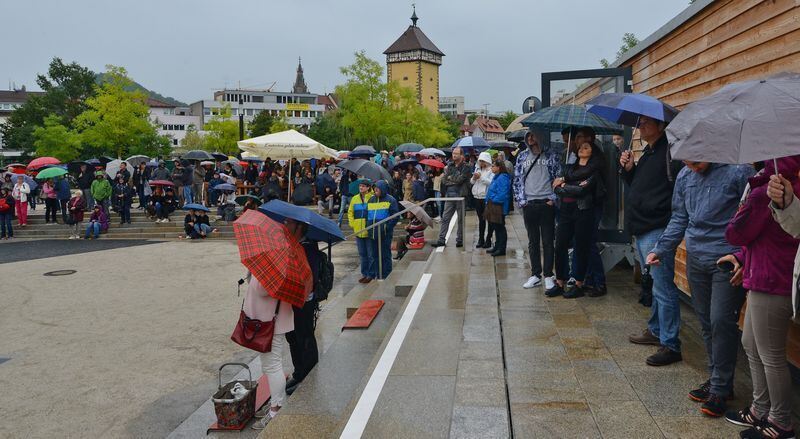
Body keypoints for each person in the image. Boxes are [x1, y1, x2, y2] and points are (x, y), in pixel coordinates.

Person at [647, 160, 753, 416]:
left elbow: (753, 218)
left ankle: (719, 389)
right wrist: (660, 249)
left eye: (696, 160)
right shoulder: (685, 176)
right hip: (696, 258)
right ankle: (719, 381)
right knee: (706, 322)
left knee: (720, 321)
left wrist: (744, 256)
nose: (692, 165)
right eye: (686, 160)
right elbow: (679, 218)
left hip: (727, 259)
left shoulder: (739, 172)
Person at [721, 164, 800, 438]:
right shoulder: (771, 184)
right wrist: (742, 257)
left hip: (772, 279)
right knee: (751, 343)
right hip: (762, 273)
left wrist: (748, 203)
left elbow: (736, 233)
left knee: (771, 355)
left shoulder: (770, 187)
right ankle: (760, 408)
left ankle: (781, 422)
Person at [620, 115, 685, 367]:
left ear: (660, 126)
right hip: (643, 227)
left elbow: (676, 190)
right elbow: (638, 185)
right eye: (639, 123)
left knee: (663, 287)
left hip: (658, 228)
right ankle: (656, 330)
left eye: (646, 122)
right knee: (656, 284)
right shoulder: (649, 152)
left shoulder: (670, 152)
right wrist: (629, 170)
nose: (640, 126)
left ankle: (670, 344)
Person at [546, 142, 601, 298]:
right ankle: (560, 282)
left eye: (586, 147)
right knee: (560, 245)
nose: (582, 149)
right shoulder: (569, 168)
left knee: (581, 247)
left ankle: (578, 284)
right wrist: (567, 186)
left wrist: (565, 185)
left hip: (583, 210)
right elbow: (555, 187)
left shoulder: (593, 170)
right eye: (581, 147)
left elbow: (582, 190)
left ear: (592, 152)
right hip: (565, 210)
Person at [247, 272, 295, 430]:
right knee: (270, 365)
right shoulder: (279, 264)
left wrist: (254, 273)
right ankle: (275, 402)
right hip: (272, 319)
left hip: (271, 322)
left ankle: (276, 409)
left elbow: (261, 288)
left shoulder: (273, 266)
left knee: (273, 365)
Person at [513, 131, 561, 290]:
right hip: (530, 204)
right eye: (528, 136)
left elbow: (558, 177)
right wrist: (522, 201)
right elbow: (517, 180)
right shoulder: (522, 156)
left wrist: (553, 199)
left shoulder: (551, 155)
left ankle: (548, 275)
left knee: (548, 241)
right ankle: (535, 274)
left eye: (533, 135)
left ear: (540, 136)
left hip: (546, 203)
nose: (530, 138)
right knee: (533, 241)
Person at [284, 219, 321, 397]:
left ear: (299, 226)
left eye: (288, 222)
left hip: (304, 299)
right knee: (292, 336)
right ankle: (298, 372)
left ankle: (307, 374)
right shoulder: (292, 244)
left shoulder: (308, 247)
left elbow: (309, 277)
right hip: (291, 298)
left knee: (304, 336)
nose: (285, 224)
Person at [432, 147, 471, 248]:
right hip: (450, 195)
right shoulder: (450, 165)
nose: (454, 155)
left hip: (461, 195)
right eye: (453, 153)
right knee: (445, 218)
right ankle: (441, 239)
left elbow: (460, 180)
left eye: (456, 153)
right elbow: (444, 180)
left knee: (460, 219)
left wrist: (451, 178)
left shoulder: (466, 167)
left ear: (461, 155)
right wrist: (452, 179)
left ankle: (460, 240)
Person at [367, 180, 399, 279]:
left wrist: (386, 228)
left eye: (377, 188)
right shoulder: (371, 200)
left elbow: (395, 216)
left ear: (383, 189)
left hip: (385, 234)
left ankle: (387, 275)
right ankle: (378, 274)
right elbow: (367, 215)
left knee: (385, 255)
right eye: (374, 188)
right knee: (375, 255)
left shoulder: (391, 200)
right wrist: (368, 227)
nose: (375, 190)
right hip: (373, 233)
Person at [348, 179, 375, 283]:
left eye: (363, 186)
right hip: (358, 230)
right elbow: (350, 212)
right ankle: (365, 273)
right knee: (362, 254)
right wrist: (352, 224)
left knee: (370, 254)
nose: (361, 188)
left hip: (369, 230)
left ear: (368, 187)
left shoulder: (372, 198)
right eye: (360, 186)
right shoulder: (354, 198)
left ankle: (371, 274)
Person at [485, 160, 511, 256]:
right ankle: (497, 246)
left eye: (493, 166)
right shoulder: (497, 176)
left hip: (498, 205)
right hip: (493, 204)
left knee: (500, 227)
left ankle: (501, 248)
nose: (491, 168)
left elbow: (502, 193)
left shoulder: (502, 177)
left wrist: (492, 199)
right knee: (496, 227)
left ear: (498, 167)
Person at [471, 152, 494, 249]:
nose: (481, 163)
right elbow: (472, 182)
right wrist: (474, 177)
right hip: (477, 197)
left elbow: (491, 183)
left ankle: (488, 239)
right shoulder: (477, 169)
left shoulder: (491, 170)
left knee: (489, 220)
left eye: (483, 161)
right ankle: (481, 239)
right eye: (480, 161)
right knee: (481, 220)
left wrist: (481, 177)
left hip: (486, 197)